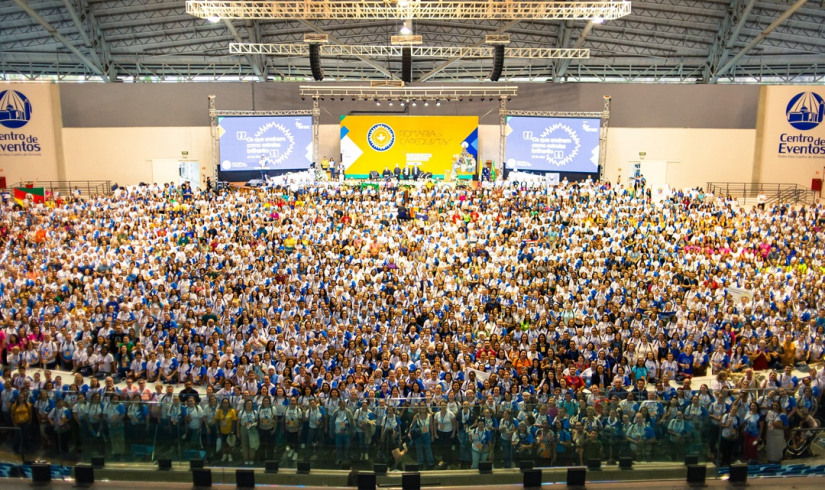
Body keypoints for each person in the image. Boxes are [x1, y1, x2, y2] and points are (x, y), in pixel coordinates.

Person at [215, 398, 237, 463]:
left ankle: (230, 455)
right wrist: (218, 430)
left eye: (226, 403)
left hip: (230, 431)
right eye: (224, 403)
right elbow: (217, 421)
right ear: (222, 404)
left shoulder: (232, 411)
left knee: (229, 444)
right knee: (224, 444)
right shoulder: (219, 411)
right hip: (222, 431)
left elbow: (234, 421)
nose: (225, 404)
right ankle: (224, 455)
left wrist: (232, 431)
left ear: (229, 404)